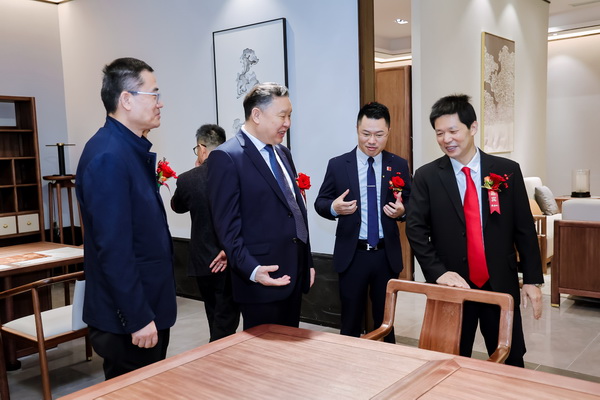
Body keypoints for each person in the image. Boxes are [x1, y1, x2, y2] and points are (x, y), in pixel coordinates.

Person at [406, 94, 543, 367]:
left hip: (499, 283)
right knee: (448, 360)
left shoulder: (506, 171)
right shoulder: (427, 176)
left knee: (510, 359)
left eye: (453, 131)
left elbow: (524, 229)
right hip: (452, 284)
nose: (447, 139)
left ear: (473, 128)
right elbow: (415, 229)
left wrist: (531, 279)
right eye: (439, 133)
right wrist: (438, 272)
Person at [75, 57, 176, 379]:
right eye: (154, 94)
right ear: (126, 100)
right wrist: (137, 317)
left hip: (147, 304)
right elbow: (114, 248)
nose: (160, 103)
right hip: (130, 316)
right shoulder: (108, 156)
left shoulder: (128, 148)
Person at [207, 82, 315, 330]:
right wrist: (253, 270)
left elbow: (294, 210)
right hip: (260, 279)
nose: (287, 123)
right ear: (256, 115)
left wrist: (307, 261)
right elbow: (227, 229)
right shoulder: (227, 157)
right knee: (264, 352)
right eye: (282, 116)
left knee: (290, 347)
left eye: (289, 116)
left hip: (294, 273)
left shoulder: (283, 153)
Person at [314, 102, 411, 343]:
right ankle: (348, 363)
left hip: (385, 255)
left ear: (389, 132)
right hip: (352, 254)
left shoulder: (398, 165)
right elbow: (320, 202)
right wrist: (334, 208)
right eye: (366, 134)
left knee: (385, 322)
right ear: (357, 129)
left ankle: (386, 361)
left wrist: (402, 211)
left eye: (379, 135)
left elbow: (411, 203)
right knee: (350, 321)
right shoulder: (338, 165)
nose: (372, 141)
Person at [171, 124, 240, 342]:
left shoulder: (188, 179)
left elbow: (177, 206)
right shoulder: (237, 172)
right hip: (233, 256)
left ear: (202, 149)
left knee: (213, 313)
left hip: (204, 260)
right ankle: (221, 351)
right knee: (228, 317)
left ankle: (217, 351)